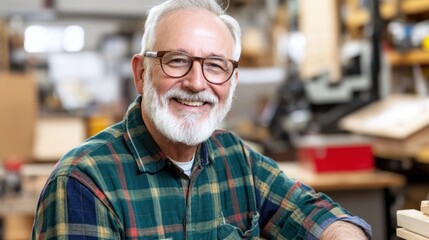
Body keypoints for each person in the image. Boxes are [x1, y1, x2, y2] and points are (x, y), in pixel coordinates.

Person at [32, 0, 372, 239]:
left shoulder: (236, 159)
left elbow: (316, 214)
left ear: (232, 82)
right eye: (177, 61)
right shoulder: (83, 183)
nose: (197, 83)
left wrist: (339, 234)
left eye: (215, 66)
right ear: (141, 73)